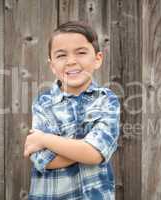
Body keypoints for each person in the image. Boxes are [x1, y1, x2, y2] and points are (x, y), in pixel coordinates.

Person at [23, 21, 120, 200]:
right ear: (52, 65)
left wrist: (45, 139)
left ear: (97, 59)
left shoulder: (106, 100)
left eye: (81, 52)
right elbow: (45, 160)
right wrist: (86, 146)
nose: (71, 61)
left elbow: (95, 154)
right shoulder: (43, 103)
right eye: (61, 55)